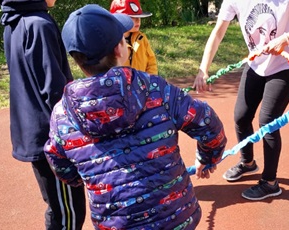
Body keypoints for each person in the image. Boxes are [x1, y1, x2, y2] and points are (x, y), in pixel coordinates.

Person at [43, 4, 226, 229]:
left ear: (77, 59)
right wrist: (209, 157)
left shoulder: (62, 115)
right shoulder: (156, 89)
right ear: (121, 49)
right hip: (175, 218)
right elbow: (208, 123)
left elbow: (57, 160)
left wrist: (85, 178)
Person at [193, 0, 289, 201]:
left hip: (287, 67)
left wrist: (286, 39)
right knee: (241, 116)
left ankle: (270, 183)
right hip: (257, 64)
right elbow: (218, 33)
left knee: (268, 121)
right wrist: (203, 69)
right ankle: (248, 163)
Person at [0, 0, 86, 229]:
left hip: (33, 131)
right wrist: (76, 129)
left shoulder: (14, 21)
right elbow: (54, 89)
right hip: (52, 137)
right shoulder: (40, 24)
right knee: (69, 214)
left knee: (59, 208)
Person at [110, 0, 158, 75]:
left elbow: (151, 62)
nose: (138, 20)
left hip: (142, 85)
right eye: (132, 17)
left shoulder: (142, 39)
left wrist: (150, 81)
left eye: (139, 17)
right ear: (118, 19)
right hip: (119, 85)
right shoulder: (111, 42)